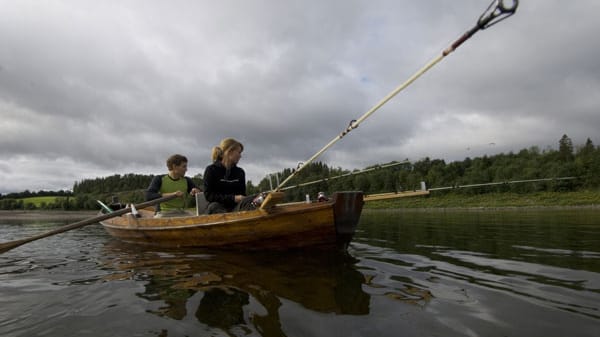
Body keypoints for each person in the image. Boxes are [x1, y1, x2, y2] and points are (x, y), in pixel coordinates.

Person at [203, 138, 256, 214]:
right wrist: (233, 198)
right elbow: (209, 196)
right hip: (217, 209)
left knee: (253, 200)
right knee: (214, 206)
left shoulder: (240, 172)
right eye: (239, 152)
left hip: (235, 209)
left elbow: (243, 195)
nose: (240, 156)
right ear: (229, 151)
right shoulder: (211, 170)